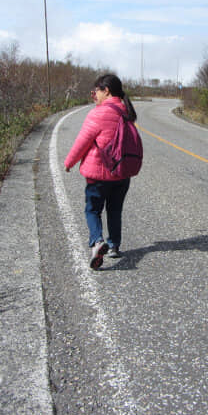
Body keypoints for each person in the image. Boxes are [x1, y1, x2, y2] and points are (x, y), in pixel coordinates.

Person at [64, 74, 138, 270]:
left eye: (95, 90)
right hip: (122, 173)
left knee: (93, 210)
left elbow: (82, 142)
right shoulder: (127, 112)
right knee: (115, 210)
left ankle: (97, 242)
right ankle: (113, 245)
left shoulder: (98, 114)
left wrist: (69, 162)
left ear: (106, 91)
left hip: (98, 175)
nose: (93, 94)